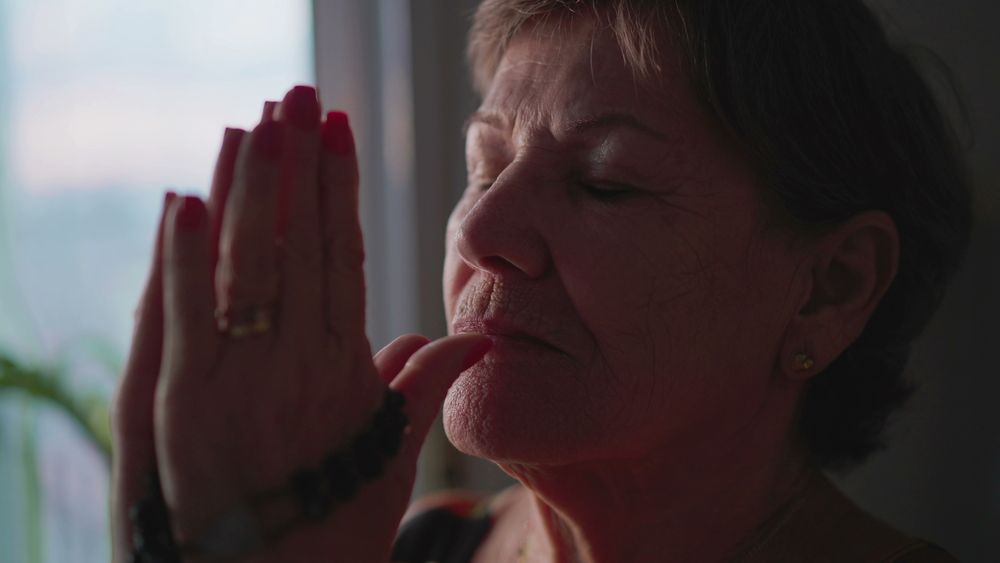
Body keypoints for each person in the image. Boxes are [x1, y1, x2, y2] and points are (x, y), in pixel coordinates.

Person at [110, 0, 972, 561]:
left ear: (830, 286)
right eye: (485, 168)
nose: (481, 234)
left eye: (605, 182)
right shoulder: (400, 546)